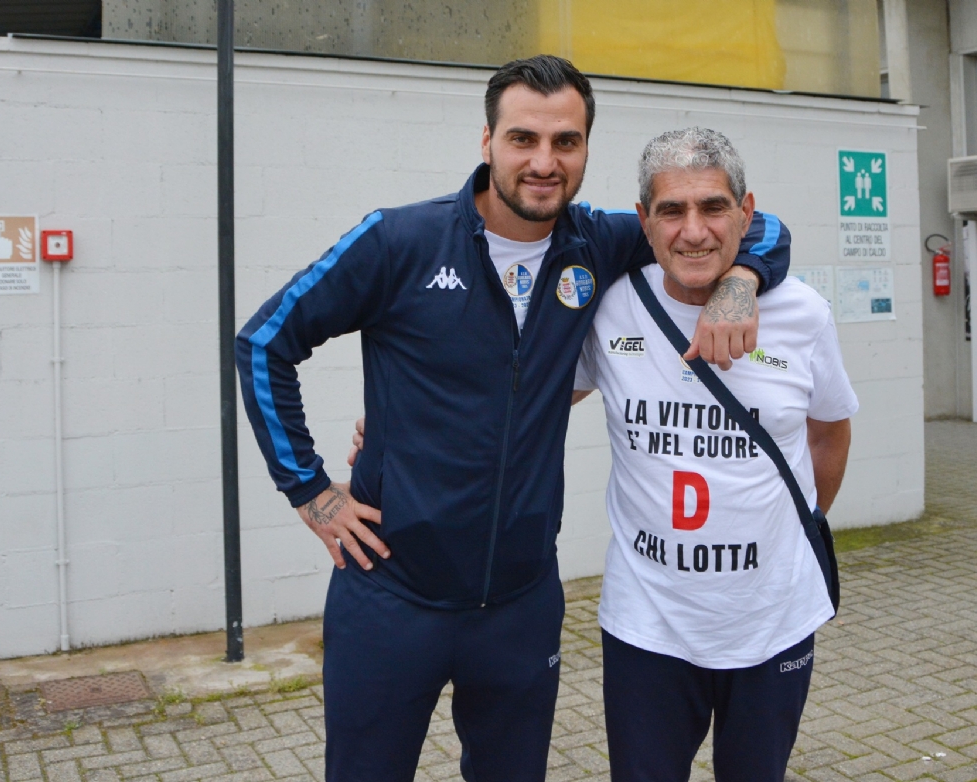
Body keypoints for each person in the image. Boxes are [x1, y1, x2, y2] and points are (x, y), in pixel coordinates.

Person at [235, 56, 791, 782]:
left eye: (566, 142)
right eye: (523, 139)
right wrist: (310, 490)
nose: (543, 161)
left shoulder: (599, 242)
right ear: (487, 142)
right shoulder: (399, 242)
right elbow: (264, 341)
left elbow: (761, 224)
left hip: (521, 608)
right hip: (391, 596)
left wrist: (741, 283)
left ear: (586, 149)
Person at [571, 128, 856, 781]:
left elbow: (829, 431)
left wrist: (797, 524)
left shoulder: (802, 313)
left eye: (713, 207)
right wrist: (400, 419)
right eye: (671, 210)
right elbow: (528, 400)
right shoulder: (614, 307)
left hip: (772, 620)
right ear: (644, 221)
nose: (693, 230)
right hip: (648, 624)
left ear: (747, 213)